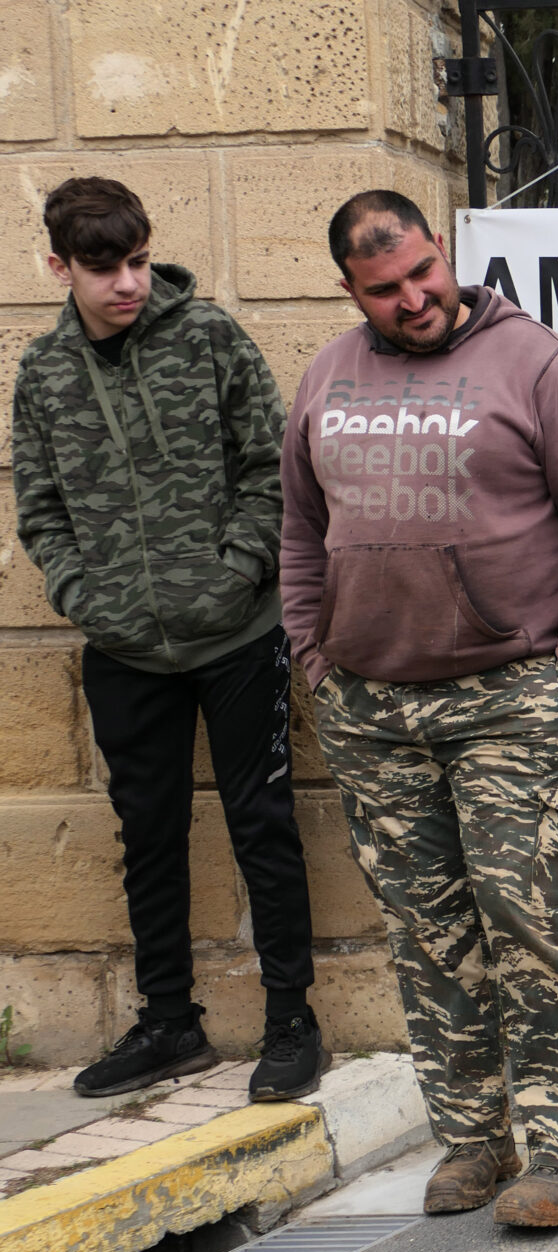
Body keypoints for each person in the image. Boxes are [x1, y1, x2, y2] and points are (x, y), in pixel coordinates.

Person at [280, 190, 558, 1228]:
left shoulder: (536, 363)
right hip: (371, 706)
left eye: (421, 274)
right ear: (352, 291)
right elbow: (299, 528)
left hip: (510, 696)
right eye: (385, 290)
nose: (413, 299)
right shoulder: (326, 375)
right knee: (428, 935)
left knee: (530, 924)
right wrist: (314, 654)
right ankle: (474, 1142)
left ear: (442, 252)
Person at [11, 177, 326, 1102]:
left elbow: (274, 467)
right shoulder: (44, 373)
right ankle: (169, 1025)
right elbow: (41, 510)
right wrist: (87, 598)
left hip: (239, 637)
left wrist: (235, 574)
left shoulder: (211, 338)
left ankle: (291, 1022)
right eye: (104, 268)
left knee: (262, 827)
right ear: (59, 266)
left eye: (139, 261)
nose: (128, 285)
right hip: (123, 651)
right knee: (146, 834)